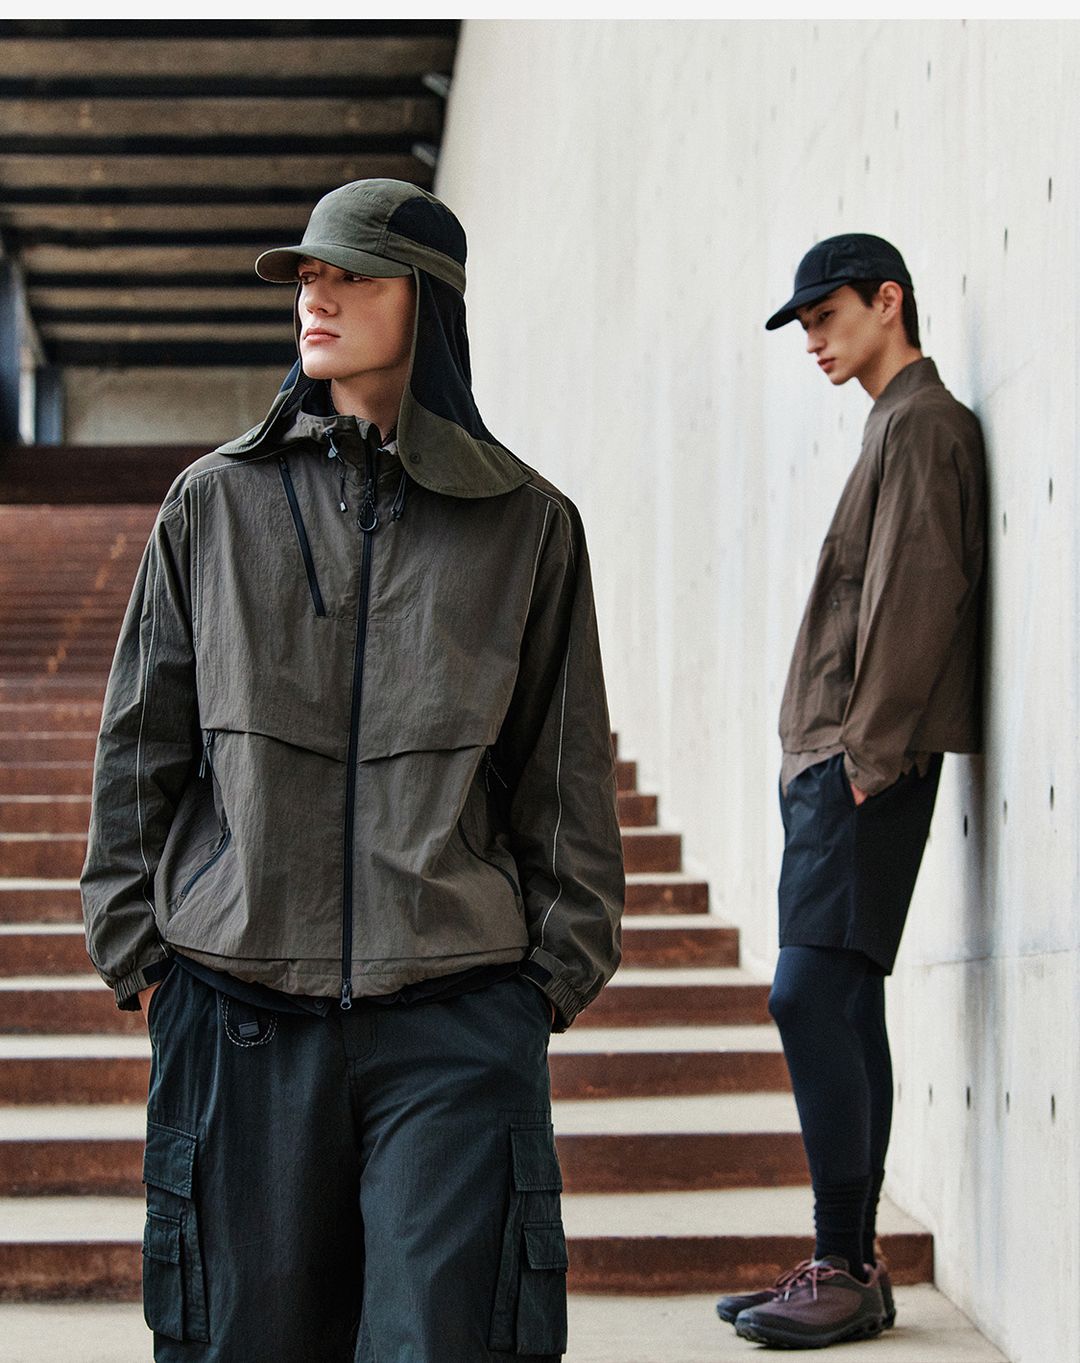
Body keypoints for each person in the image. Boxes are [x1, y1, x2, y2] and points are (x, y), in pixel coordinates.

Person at [81, 178, 624, 1363]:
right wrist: (146, 966)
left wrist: (541, 988)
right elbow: (139, 751)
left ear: (425, 301)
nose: (313, 299)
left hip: (455, 1015)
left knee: (446, 1341)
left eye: (350, 276)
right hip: (237, 1011)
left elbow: (565, 773)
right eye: (306, 278)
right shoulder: (211, 505)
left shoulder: (528, 523)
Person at [716, 234, 986, 1349]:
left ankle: (841, 1263)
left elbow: (922, 587)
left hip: (864, 763)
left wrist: (864, 759)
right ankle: (854, 1266)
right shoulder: (894, 423)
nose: (814, 340)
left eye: (827, 316)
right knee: (842, 998)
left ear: (889, 302)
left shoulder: (923, 423)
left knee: (808, 994)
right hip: (843, 760)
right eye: (804, 325)